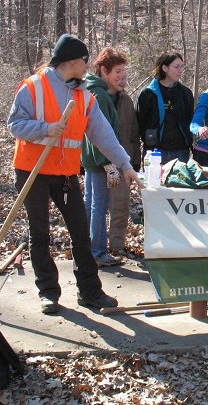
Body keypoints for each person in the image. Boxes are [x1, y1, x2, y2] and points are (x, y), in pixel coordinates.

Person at [7, 34, 143, 315]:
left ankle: (90, 292)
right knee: (40, 232)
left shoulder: (84, 96)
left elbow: (103, 135)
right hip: (33, 171)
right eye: (84, 60)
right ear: (71, 61)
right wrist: (44, 128)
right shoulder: (32, 87)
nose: (87, 65)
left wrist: (125, 165)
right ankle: (48, 292)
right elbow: (15, 124)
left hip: (66, 175)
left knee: (81, 232)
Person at [82, 47, 128, 267]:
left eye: (123, 72)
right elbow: (99, 135)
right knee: (98, 206)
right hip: (100, 161)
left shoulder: (99, 92)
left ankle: (89, 249)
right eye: (117, 71)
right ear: (103, 70)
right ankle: (97, 252)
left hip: (96, 161)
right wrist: (109, 163)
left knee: (92, 204)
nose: (121, 76)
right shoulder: (98, 94)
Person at [137, 52, 194, 164]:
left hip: (181, 151)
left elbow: (190, 120)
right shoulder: (148, 93)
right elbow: (140, 122)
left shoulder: (185, 93)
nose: (180, 70)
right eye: (176, 66)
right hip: (155, 151)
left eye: (182, 66)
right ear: (164, 68)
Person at [107, 68, 140, 256]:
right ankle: (94, 246)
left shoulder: (126, 101)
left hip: (121, 164)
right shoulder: (97, 98)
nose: (122, 80)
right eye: (118, 75)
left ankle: (116, 245)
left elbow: (134, 134)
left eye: (125, 76)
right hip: (102, 162)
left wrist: (134, 161)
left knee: (120, 204)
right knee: (97, 206)